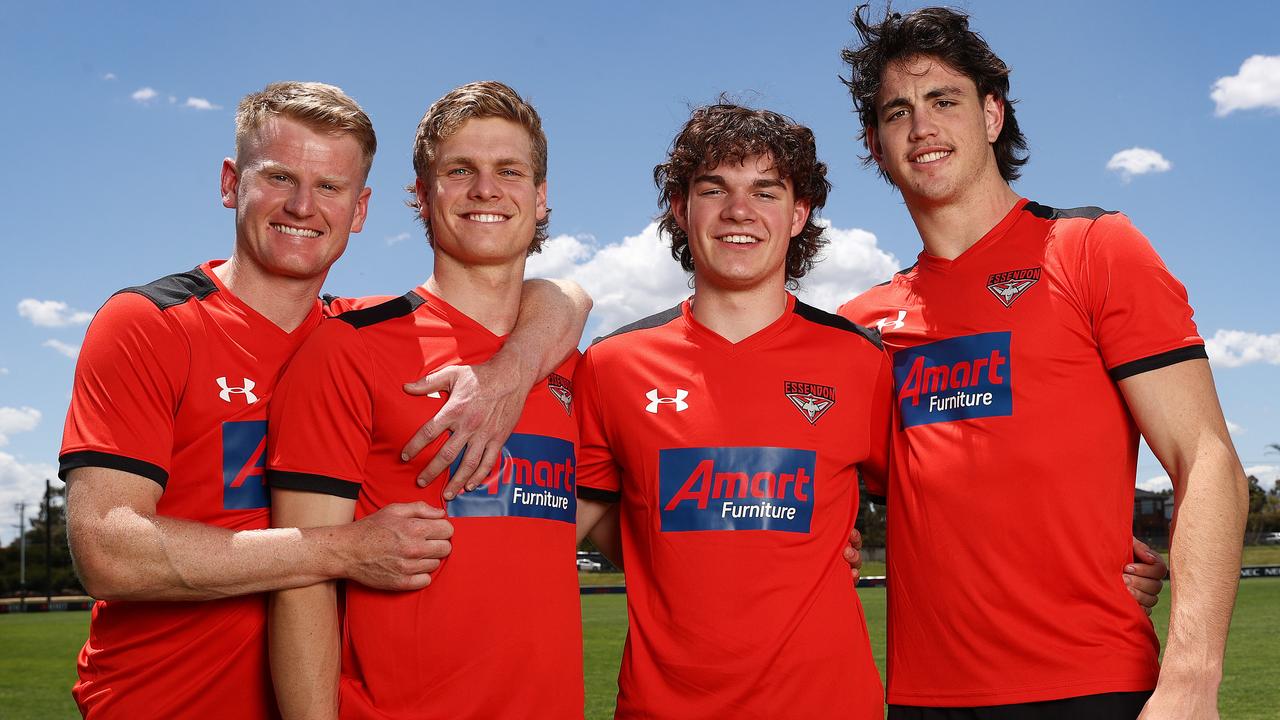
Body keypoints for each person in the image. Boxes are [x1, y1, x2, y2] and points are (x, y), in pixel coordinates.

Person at [59, 81, 586, 720]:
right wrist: (340, 550)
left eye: (330, 187)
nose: (303, 206)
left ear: (360, 209)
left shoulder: (350, 334)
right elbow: (109, 551)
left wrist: (507, 372)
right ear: (231, 183)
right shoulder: (153, 323)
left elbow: (562, 299)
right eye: (279, 177)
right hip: (163, 700)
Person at [837, 6, 1248, 719]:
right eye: (897, 111)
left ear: (992, 114)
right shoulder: (861, 327)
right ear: (875, 144)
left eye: (944, 101)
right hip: (921, 699)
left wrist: (1190, 681)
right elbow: (833, 490)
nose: (922, 127)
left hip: (1094, 686)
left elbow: (1206, 458)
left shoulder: (1094, 249)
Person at [266, 81, 589, 720]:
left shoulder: (576, 367)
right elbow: (301, 579)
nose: (486, 190)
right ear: (420, 195)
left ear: (541, 197)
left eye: (510, 171)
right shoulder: (348, 349)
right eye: (459, 170)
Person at [574, 102, 889, 719]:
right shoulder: (612, 365)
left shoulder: (862, 361)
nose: (738, 211)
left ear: (799, 214)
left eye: (764, 191)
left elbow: (945, 506)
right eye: (713, 189)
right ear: (680, 209)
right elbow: (578, 522)